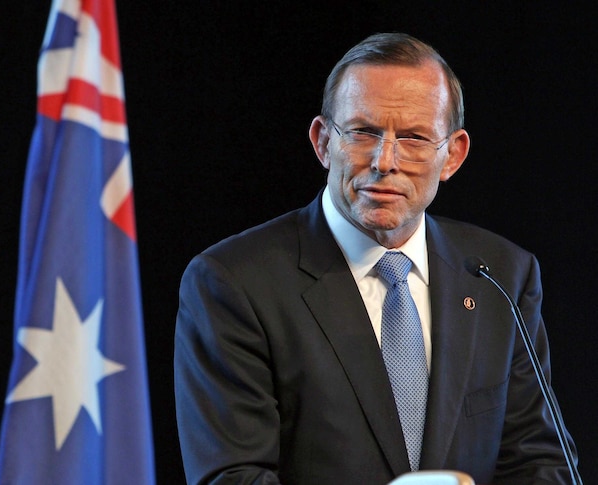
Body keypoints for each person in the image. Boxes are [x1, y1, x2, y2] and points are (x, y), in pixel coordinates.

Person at [174, 32, 579, 484]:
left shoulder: (500, 274)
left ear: (453, 155)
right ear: (323, 141)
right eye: (364, 132)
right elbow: (234, 478)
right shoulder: (235, 283)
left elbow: (540, 463)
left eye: (414, 137)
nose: (385, 161)